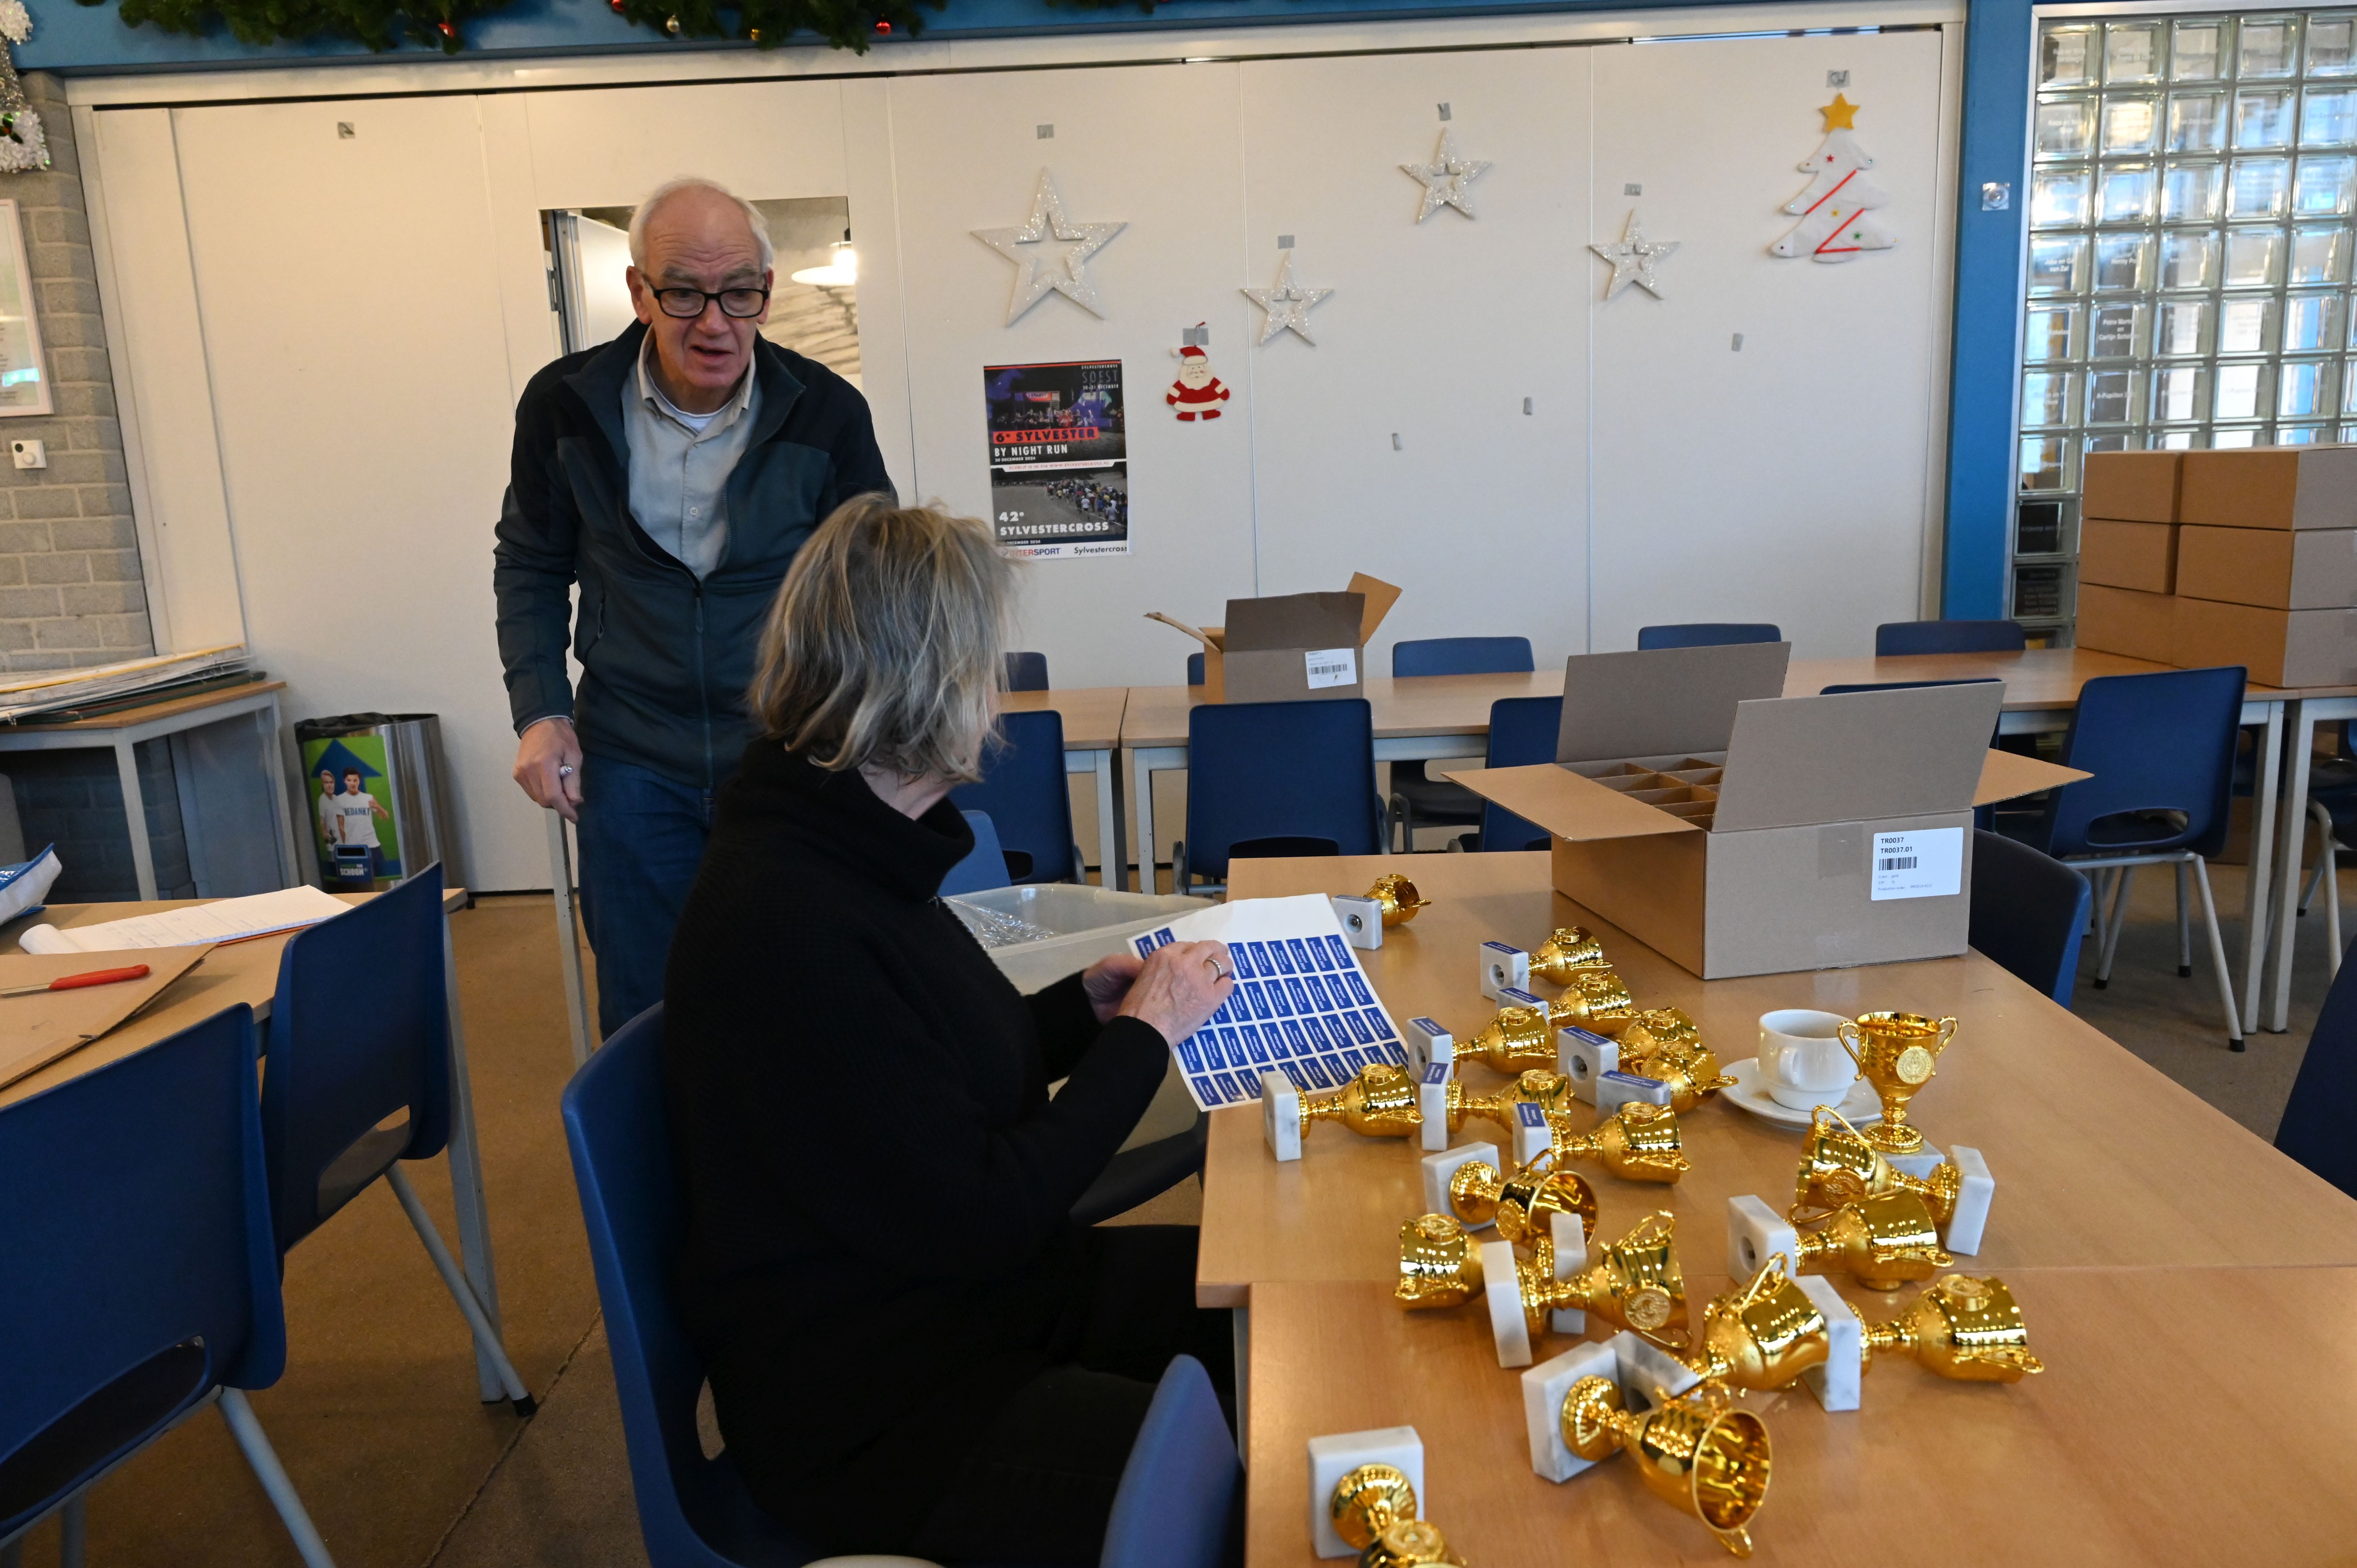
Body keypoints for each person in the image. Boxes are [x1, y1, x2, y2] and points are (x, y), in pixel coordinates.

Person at [664, 497, 1235, 1565]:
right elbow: (987, 1208)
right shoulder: (789, 916)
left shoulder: (845, 846)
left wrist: (1082, 1013)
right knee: (1253, 1468)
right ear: (923, 685)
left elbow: (915, 1068)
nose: (995, 693)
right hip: (888, 1413)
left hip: (980, 1306)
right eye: (983, 664)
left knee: (1273, 1317)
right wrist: (1143, 1039)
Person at [494, 176, 894, 1037]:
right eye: (683, 293)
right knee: (651, 1009)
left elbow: (874, 581)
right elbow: (530, 564)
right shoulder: (564, 404)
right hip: (632, 760)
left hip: (786, 753)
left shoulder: (828, 410)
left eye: (739, 293)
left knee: (804, 999)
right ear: (639, 292)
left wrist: (873, 728)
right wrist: (541, 712)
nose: (714, 323)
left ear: (767, 292)